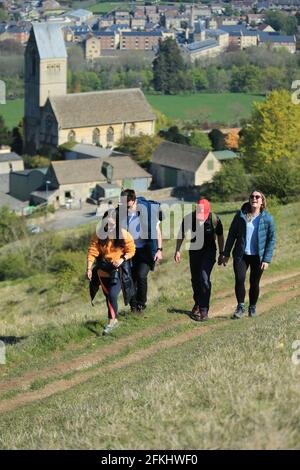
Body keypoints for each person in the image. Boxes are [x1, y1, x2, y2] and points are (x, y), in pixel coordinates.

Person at [222, 190, 276, 319]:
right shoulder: (241, 216)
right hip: (241, 255)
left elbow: (271, 239)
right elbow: (231, 235)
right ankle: (240, 307)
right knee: (239, 279)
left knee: (254, 282)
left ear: (262, 201)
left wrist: (266, 259)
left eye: (257, 197)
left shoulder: (268, 218)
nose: (254, 198)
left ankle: (252, 307)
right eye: (252, 196)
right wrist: (226, 253)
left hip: (258, 256)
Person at [86, 209, 136, 334]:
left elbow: (131, 250)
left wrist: (122, 259)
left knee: (112, 295)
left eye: (112, 225)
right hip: (102, 271)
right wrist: (89, 268)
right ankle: (113, 320)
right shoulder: (98, 234)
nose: (109, 227)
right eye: (106, 224)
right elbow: (92, 251)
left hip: (118, 270)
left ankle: (111, 322)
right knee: (108, 296)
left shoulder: (124, 234)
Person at [174, 198, 224, 321]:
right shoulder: (189, 219)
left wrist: (222, 253)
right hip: (194, 252)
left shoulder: (214, 220)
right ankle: (197, 303)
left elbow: (220, 236)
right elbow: (181, 234)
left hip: (209, 252)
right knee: (195, 280)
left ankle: (204, 310)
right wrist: (177, 250)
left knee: (204, 278)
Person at [119, 189, 163, 313]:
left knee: (141, 275)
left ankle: (141, 304)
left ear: (133, 201)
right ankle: (133, 306)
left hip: (146, 250)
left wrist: (159, 250)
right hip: (131, 251)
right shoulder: (122, 212)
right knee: (130, 278)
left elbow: (157, 231)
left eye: (126, 204)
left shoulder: (148, 210)